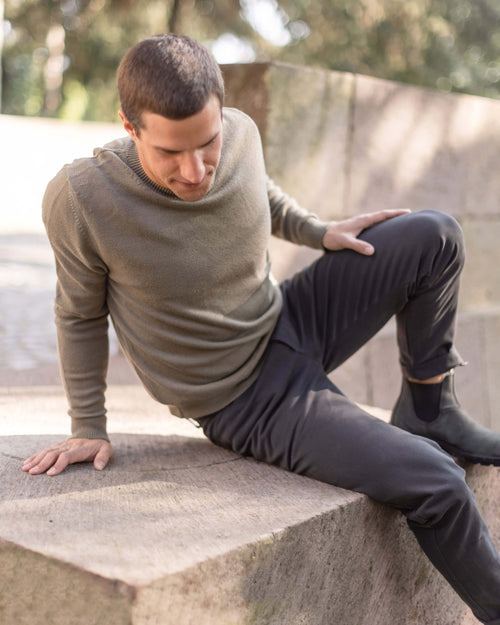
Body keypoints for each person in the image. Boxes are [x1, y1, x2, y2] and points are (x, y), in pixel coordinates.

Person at [22, 34, 500, 623]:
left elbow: (257, 193)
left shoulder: (241, 133)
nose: (195, 170)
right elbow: (78, 313)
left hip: (287, 317)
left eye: (208, 143)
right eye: (170, 153)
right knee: (439, 482)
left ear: (222, 113)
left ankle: (430, 409)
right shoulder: (81, 198)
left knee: (435, 235)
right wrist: (87, 426)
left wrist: (317, 230)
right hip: (245, 400)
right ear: (128, 125)